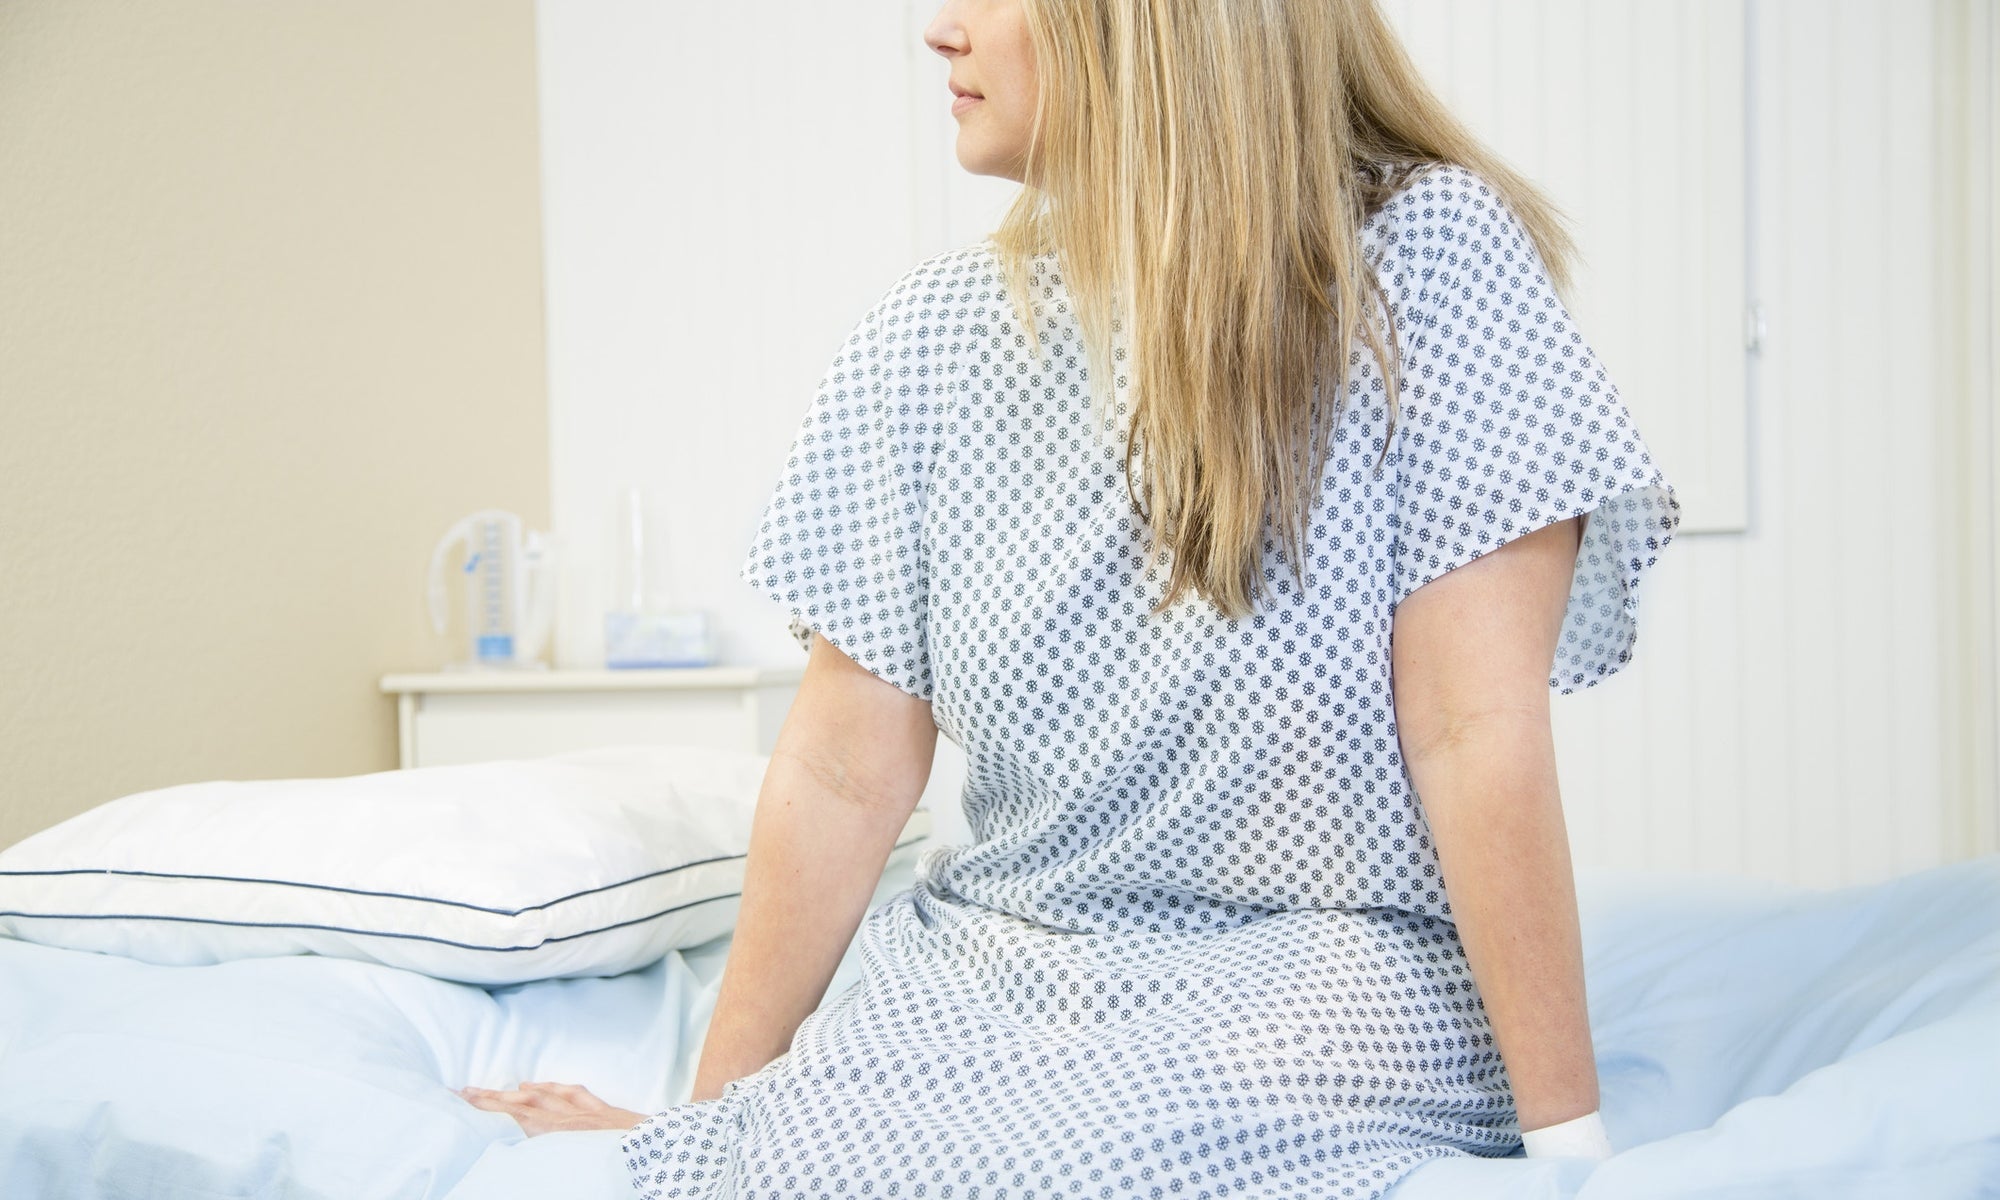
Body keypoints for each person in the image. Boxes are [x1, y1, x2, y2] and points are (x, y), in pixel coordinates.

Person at [460, 0, 1682, 1195]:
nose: (937, 29)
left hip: (1326, 970)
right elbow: (839, 770)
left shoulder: (1429, 258)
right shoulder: (927, 337)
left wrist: (1568, 1151)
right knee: (819, 1156)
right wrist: (709, 1126)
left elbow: (1472, 728)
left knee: (1089, 1162)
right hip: (1002, 965)